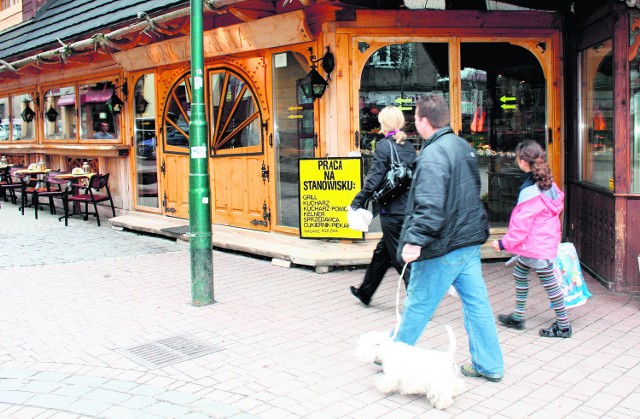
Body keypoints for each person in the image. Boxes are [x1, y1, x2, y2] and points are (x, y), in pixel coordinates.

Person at [395, 94, 504, 382]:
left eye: (415, 118)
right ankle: (489, 363)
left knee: (418, 303)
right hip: (467, 240)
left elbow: (429, 205)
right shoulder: (462, 147)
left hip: (442, 244)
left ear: (424, 120)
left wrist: (414, 241)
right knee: (476, 302)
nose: (414, 123)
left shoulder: (432, 155)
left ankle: (395, 359)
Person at [492, 140, 572, 338]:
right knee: (521, 272)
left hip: (536, 245)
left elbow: (521, 225)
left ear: (522, 161)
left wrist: (503, 244)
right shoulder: (546, 182)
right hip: (543, 241)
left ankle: (563, 325)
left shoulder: (530, 190)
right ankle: (518, 317)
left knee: (550, 283)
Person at [350, 106, 416, 306]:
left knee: (400, 259)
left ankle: (419, 303)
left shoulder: (384, 146)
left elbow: (374, 179)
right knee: (382, 252)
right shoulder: (409, 146)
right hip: (407, 209)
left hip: (392, 211)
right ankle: (365, 292)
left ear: (384, 124)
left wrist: (357, 202)